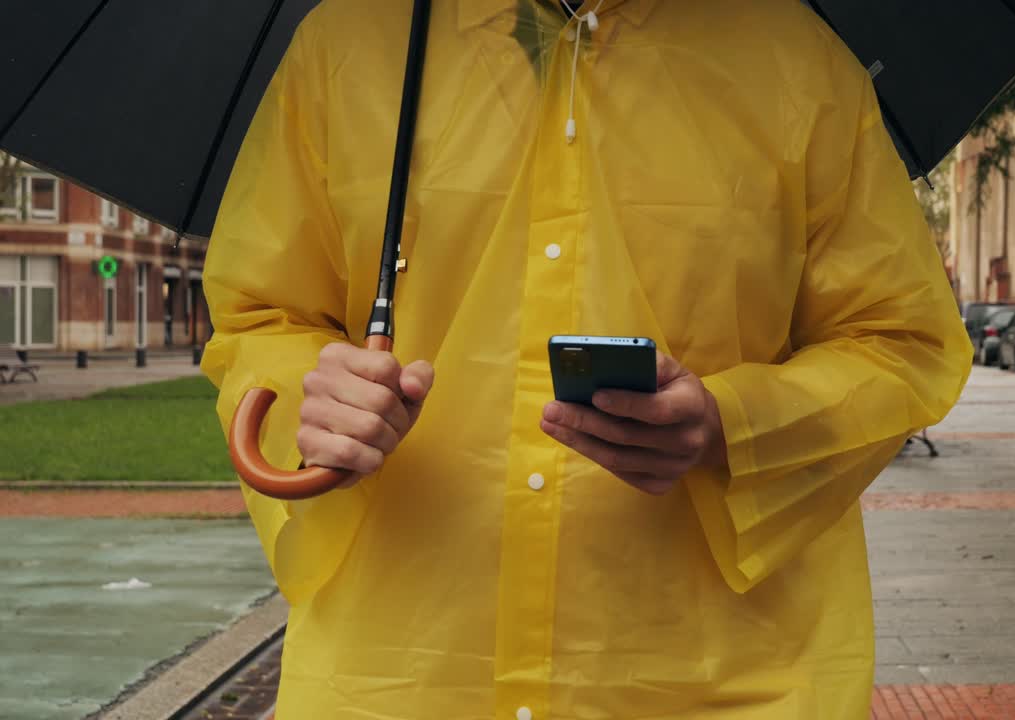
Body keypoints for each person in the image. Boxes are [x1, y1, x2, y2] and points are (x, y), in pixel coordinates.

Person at [201, 0, 971, 717]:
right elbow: (261, 315)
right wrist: (316, 399)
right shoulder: (350, 47)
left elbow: (898, 340)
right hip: (405, 675)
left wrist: (729, 425)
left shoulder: (798, 63)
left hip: (718, 683)